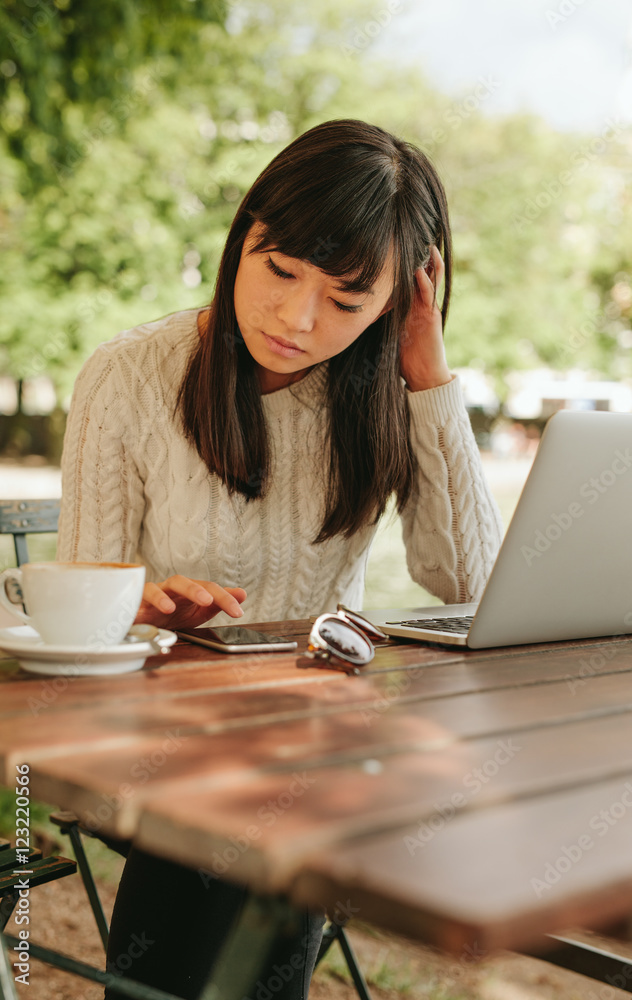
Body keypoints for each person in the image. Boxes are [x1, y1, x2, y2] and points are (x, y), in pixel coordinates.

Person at [57, 118, 503, 999]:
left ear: (397, 303)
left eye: (345, 301)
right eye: (278, 270)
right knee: (245, 833)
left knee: (283, 816)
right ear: (242, 239)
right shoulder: (131, 376)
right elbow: (80, 614)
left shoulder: (380, 398)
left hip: (321, 747)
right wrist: (140, 604)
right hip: (160, 749)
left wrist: (428, 379)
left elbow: (470, 584)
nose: (297, 320)